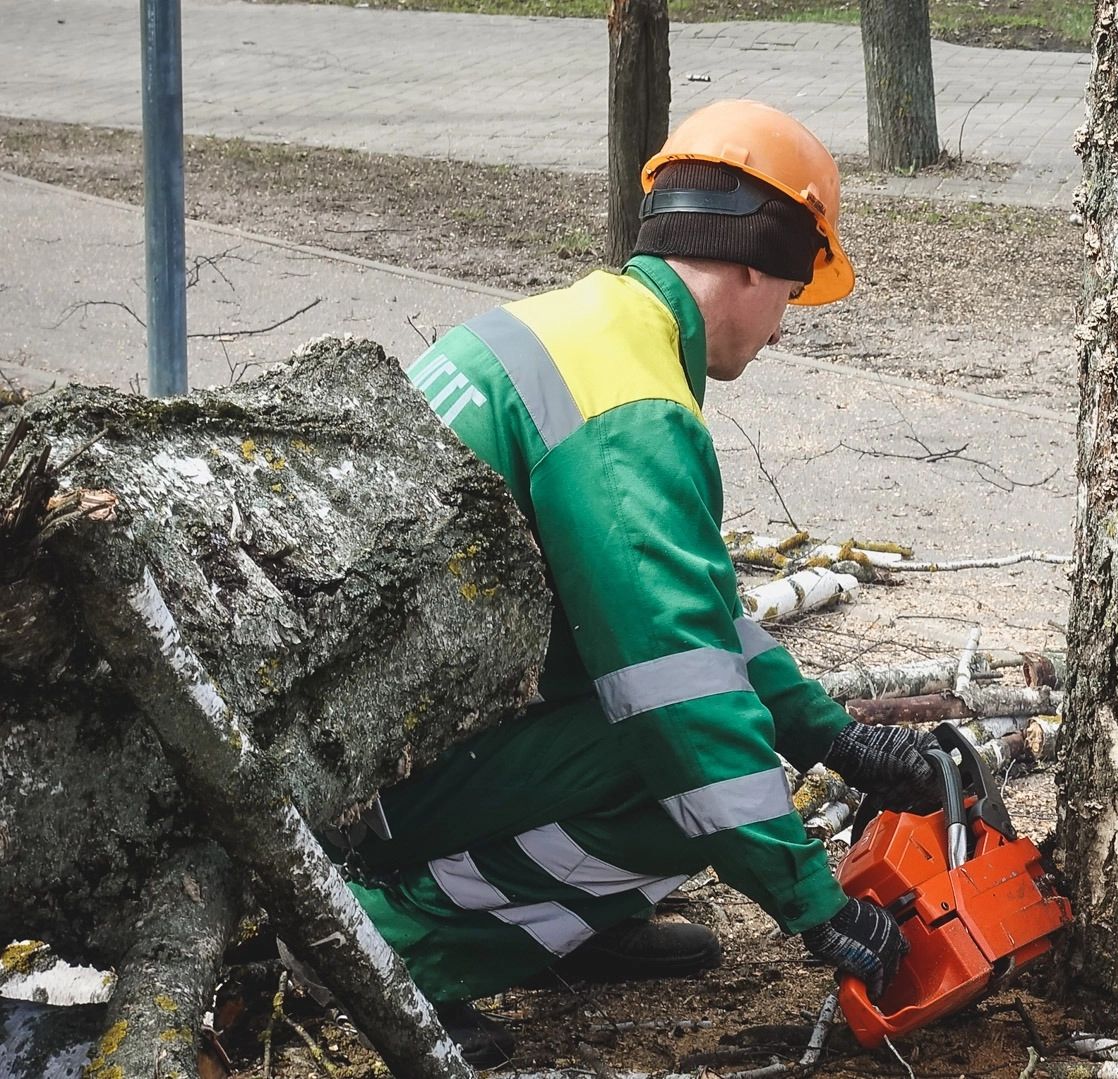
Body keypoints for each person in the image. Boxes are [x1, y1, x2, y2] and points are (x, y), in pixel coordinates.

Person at [342, 100, 935, 1067]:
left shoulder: (590, 333)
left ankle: (567, 922)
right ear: (750, 260)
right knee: (679, 781)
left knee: (694, 740)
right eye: (791, 289)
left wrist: (835, 735)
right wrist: (812, 905)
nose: (784, 327)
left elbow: (685, 620)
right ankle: (387, 947)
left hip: (386, 738)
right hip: (376, 782)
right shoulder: (631, 410)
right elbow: (681, 698)